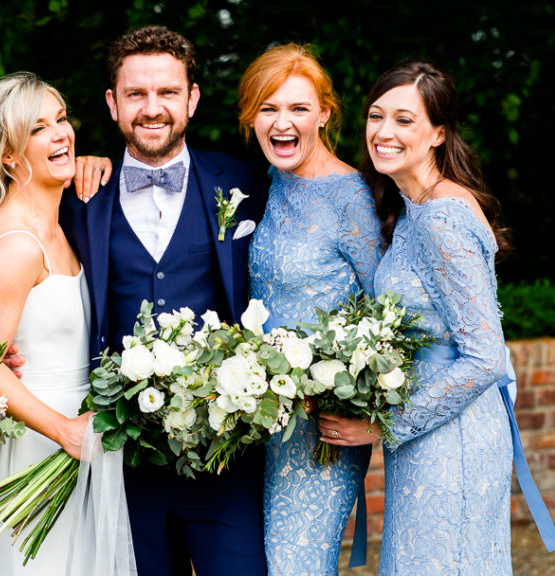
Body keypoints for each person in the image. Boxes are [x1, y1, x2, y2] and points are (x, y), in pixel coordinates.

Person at [60, 25, 268, 576]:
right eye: (136, 94)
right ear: (112, 104)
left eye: (167, 93)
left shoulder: (249, 180)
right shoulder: (77, 198)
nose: (152, 109)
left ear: (192, 99)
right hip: (121, 467)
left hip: (226, 461)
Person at [320, 59, 516, 575]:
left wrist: (381, 426)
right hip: (434, 433)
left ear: (438, 133)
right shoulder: (414, 207)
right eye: (376, 115)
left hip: (454, 441)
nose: (383, 132)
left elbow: (485, 357)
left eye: (404, 120)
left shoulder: (441, 219)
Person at [238, 43, 383, 575]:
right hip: (250, 419)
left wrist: (373, 416)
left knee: (294, 566)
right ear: (251, 116)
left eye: (298, 108)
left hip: (319, 432)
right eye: (268, 108)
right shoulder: (263, 185)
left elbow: (391, 316)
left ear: (324, 113)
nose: (282, 122)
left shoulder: (353, 199)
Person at [0, 71, 97, 575]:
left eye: (61, 119)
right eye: (38, 129)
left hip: (79, 440)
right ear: (8, 155)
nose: (60, 134)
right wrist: (64, 430)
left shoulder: (60, 225)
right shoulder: (17, 244)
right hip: (34, 446)